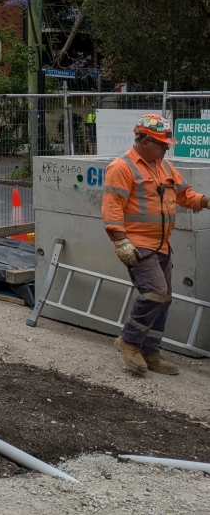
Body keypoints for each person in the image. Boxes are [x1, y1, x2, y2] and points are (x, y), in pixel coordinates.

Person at [103, 113, 210, 376]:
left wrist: (206, 201)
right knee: (155, 293)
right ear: (145, 140)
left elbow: (184, 195)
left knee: (164, 299)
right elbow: (112, 206)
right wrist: (120, 241)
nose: (167, 147)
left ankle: (151, 352)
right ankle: (129, 341)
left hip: (162, 246)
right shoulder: (122, 167)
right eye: (162, 143)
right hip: (139, 245)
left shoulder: (164, 166)